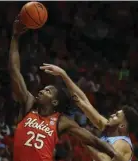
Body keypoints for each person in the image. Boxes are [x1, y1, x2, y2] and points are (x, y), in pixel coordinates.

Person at [9, 18, 118, 161]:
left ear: (54, 103)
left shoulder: (62, 121)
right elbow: (14, 70)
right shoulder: (28, 105)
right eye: (43, 89)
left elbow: (93, 140)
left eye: (48, 91)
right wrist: (15, 37)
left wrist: (114, 155)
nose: (41, 91)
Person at [40, 64, 138, 161]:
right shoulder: (107, 128)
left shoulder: (122, 144)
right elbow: (84, 101)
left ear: (122, 126)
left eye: (116, 116)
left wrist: (85, 138)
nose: (112, 115)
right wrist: (63, 75)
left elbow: (104, 159)